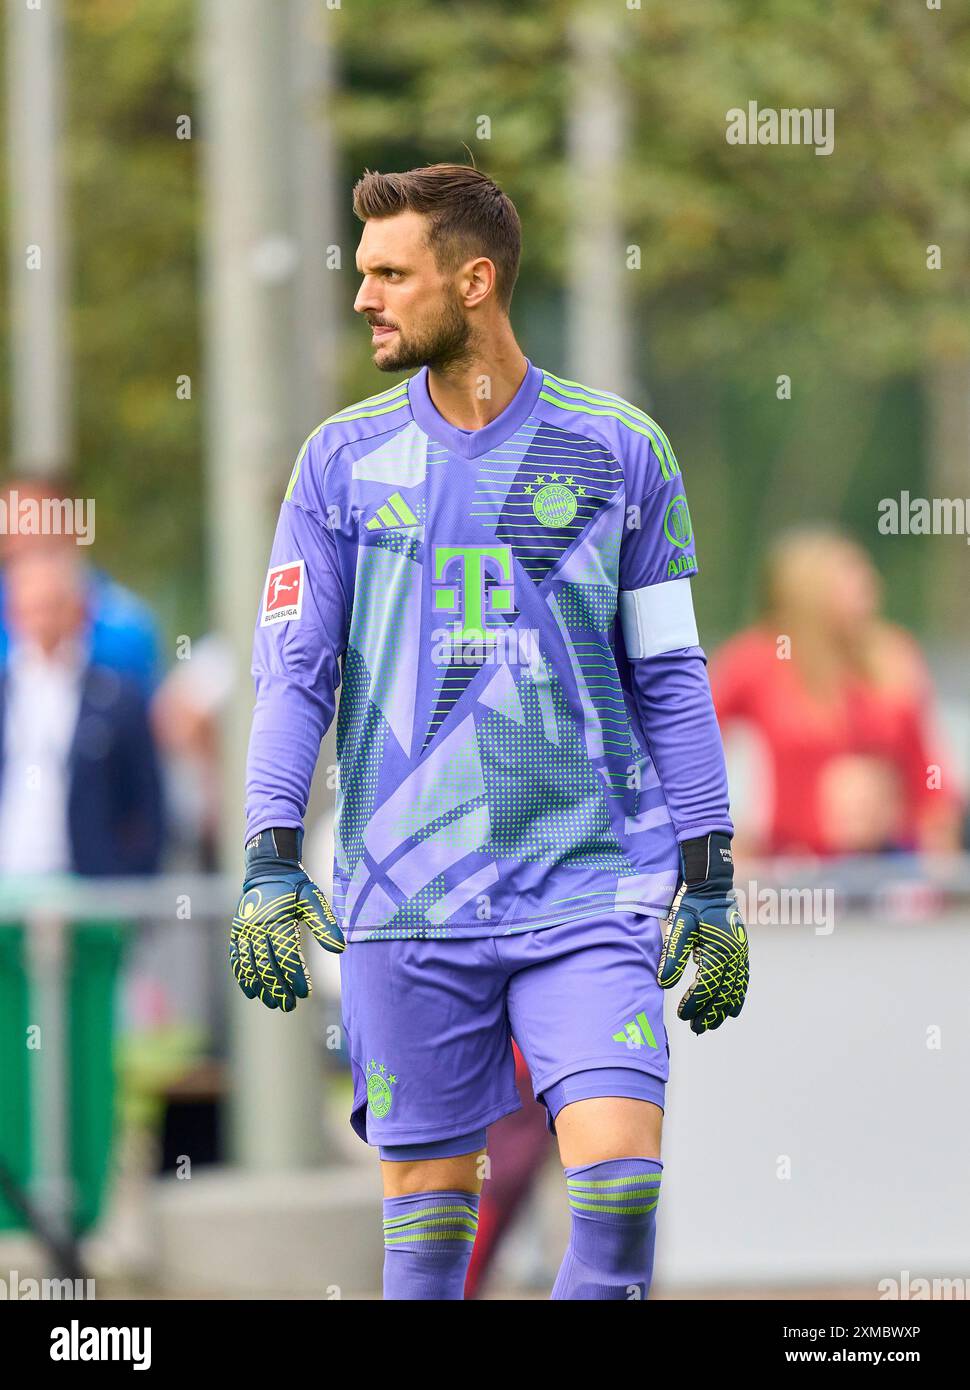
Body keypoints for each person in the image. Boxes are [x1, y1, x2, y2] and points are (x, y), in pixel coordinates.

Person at [229, 164, 749, 1301]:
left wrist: (708, 874)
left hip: (590, 885)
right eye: (360, 273)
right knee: (424, 1253)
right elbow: (294, 676)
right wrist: (270, 851)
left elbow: (669, 673)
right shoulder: (338, 465)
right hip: (405, 894)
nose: (362, 296)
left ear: (472, 281)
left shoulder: (621, 451)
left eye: (387, 274)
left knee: (617, 1192)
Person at [710, 527, 961, 857]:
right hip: (794, 864)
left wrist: (941, 852)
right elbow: (692, 739)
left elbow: (927, 771)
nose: (870, 589)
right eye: (851, 579)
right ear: (810, 590)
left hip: (889, 860)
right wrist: (725, 839)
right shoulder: (761, 658)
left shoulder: (892, 656)